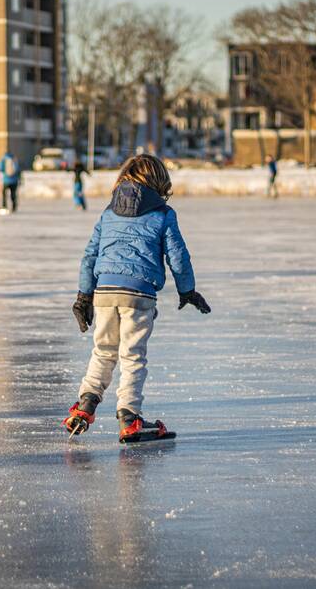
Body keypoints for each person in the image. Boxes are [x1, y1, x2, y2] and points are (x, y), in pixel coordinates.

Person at [64, 154, 211, 444]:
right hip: (139, 294)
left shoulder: (108, 213)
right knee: (132, 356)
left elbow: (89, 256)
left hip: (104, 292)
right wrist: (187, 290)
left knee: (103, 350)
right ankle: (129, 419)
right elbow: (178, 257)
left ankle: (84, 408)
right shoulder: (163, 214)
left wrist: (84, 297)